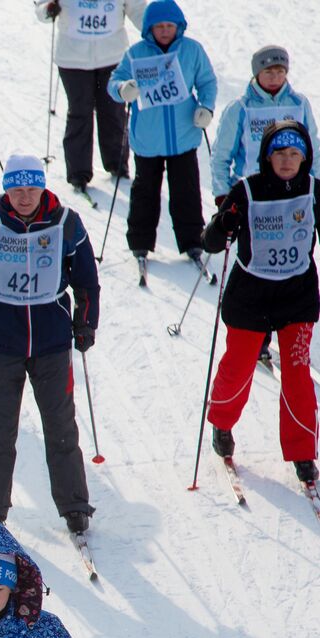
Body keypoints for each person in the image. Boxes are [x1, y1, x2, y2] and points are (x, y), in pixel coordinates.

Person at [0, 153, 99, 534]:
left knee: (60, 424)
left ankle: (75, 506)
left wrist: (85, 324)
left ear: (42, 187)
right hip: (2, 342)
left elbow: (86, 279)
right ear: (7, 190)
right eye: (17, 189)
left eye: (32, 188)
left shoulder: (66, 224)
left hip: (51, 339)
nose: (25, 197)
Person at [201, 119, 319, 485]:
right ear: (268, 156)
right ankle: (221, 423)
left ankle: (302, 452)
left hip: (296, 296)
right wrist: (224, 222)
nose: (287, 160)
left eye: (294, 153)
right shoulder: (247, 190)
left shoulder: (314, 190)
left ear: (305, 157)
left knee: (298, 373)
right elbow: (210, 242)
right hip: (251, 294)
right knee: (238, 365)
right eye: (280, 153)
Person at [108, 0, 216, 270]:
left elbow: (207, 81)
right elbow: (114, 81)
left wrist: (206, 107)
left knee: (186, 190)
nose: (165, 31)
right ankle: (140, 242)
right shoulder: (136, 54)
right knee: (145, 192)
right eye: (159, 26)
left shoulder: (192, 50)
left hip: (184, 136)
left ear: (178, 26)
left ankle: (193, 240)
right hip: (148, 139)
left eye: (170, 25)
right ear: (149, 28)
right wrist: (123, 89)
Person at [34, 0, 147, 194]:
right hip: (72, 59)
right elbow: (41, 7)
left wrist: (156, 30)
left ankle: (117, 163)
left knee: (113, 110)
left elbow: (137, 9)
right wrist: (48, 10)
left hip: (112, 56)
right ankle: (78, 172)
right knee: (80, 111)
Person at [210, 45, 320, 202]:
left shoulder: (299, 104)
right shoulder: (240, 108)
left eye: (280, 72)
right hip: (252, 191)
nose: (274, 78)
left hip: (294, 191)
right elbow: (221, 155)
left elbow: (313, 150)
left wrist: (317, 186)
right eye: (268, 72)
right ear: (257, 73)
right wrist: (222, 194)